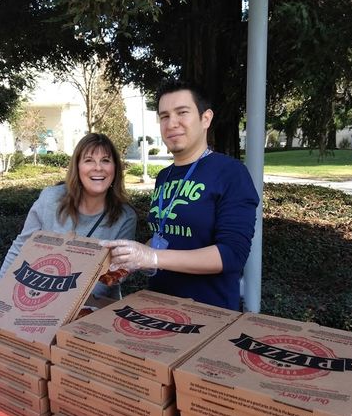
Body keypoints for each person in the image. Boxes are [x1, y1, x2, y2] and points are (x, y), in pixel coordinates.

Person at [103, 80, 259, 311]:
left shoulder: (231, 173)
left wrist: (152, 257)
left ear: (206, 118)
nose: (171, 123)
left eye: (182, 113)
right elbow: (164, 235)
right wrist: (131, 258)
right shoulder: (164, 176)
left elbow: (232, 254)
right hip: (159, 307)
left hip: (209, 314)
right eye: (164, 116)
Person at [0, 132, 137, 300]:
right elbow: (20, 249)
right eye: (89, 160)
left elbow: (113, 277)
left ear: (115, 168)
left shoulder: (125, 216)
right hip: (38, 299)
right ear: (77, 167)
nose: (98, 167)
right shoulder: (50, 199)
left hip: (94, 306)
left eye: (105, 160)